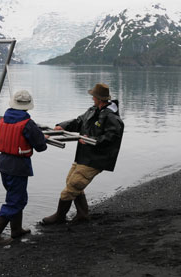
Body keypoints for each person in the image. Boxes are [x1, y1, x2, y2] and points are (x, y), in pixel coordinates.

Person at [42, 83, 124, 225]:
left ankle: (59, 217)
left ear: (99, 98)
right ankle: (82, 215)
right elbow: (79, 122)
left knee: (72, 186)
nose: (92, 98)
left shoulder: (111, 117)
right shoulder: (93, 110)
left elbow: (113, 136)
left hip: (96, 158)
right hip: (84, 155)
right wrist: (62, 126)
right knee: (71, 182)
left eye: (94, 96)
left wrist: (92, 140)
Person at [0, 89, 47, 246]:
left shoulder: (4, 120)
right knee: (16, 200)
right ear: (27, 106)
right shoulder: (28, 123)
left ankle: (16, 230)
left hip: (4, 165)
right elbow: (41, 146)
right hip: (18, 167)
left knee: (14, 196)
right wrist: (42, 137)